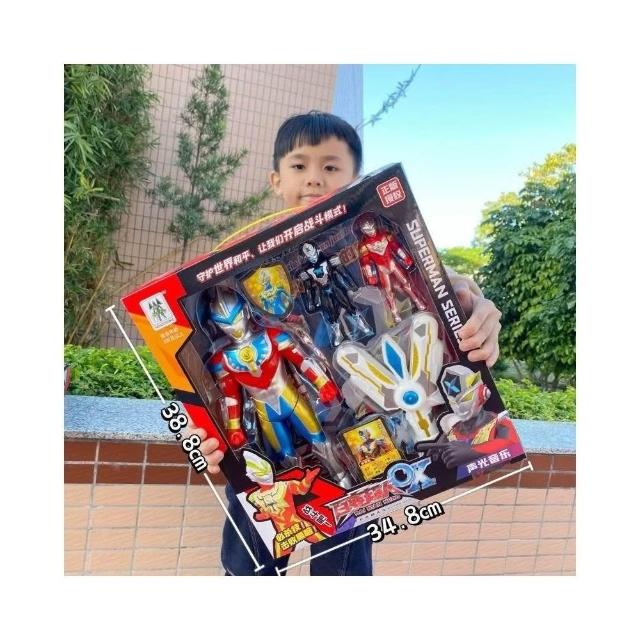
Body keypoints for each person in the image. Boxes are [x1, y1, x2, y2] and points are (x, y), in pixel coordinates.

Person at [186, 111, 503, 576]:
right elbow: (206, 375)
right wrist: (214, 429)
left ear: (356, 178)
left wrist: (473, 307)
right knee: (248, 565)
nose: (314, 178)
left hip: (354, 440)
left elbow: (444, 286)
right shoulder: (235, 272)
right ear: (276, 179)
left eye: (331, 166)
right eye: (299, 165)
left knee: (342, 568)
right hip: (267, 452)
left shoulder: (360, 243)